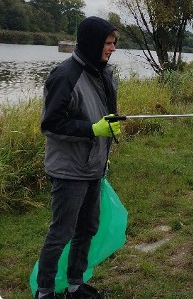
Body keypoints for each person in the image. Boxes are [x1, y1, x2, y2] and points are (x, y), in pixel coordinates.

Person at [35, 17, 122, 299]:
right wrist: (92, 129)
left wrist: (107, 128)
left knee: (88, 228)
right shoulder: (65, 75)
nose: (112, 49)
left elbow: (101, 112)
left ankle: (75, 284)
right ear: (92, 43)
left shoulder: (103, 73)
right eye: (108, 43)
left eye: (114, 43)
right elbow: (50, 124)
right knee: (61, 232)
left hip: (94, 166)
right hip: (69, 170)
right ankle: (44, 290)